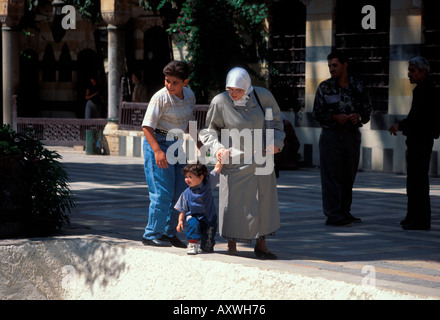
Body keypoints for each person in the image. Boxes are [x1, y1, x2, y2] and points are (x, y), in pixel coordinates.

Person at [200, 67, 285, 259]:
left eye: (237, 90)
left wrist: (276, 144)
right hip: (234, 162)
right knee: (233, 203)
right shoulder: (220, 102)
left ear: (247, 86)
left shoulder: (263, 97)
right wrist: (218, 149)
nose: (233, 94)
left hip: (262, 161)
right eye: (229, 89)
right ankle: (231, 243)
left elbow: (279, 124)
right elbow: (209, 131)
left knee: (263, 202)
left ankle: (261, 244)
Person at [312, 51, 372, 226]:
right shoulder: (325, 87)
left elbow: (367, 110)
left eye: (335, 65)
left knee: (348, 176)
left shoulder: (357, 86)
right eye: (329, 66)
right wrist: (334, 117)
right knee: (331, 177)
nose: (331, 69)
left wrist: (358, 117)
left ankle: (345, 211)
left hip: (351, 137)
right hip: (331, 137)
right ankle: (333, 215)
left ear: (345, 65)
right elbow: (317, 112)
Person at [141, 60, 196, 247]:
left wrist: (200, 144)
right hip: (158, 142)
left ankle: (168, 232)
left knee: (181, 190)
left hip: (177, 144)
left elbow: (189, 122)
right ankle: (151, 234)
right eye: (167, 81)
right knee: (162, 192)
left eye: (175, 82)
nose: (170, 85)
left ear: (185, 82)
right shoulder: (160, 97)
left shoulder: (189, 96)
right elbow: (147, 127)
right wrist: (157, 151)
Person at [389, 56, 440, 230]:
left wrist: (399, 125)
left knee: (417, 182)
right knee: (415, 181)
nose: (409, 74)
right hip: (420, 140)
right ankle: (413, 217)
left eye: (412, 70)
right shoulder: (425, 89)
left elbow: (417, 119)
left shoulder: (425, 90)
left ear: (422, 72)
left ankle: (419, 220)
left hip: (421, 142)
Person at [175, 161, 223, 255]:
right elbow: (182, 208)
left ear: (201, 177)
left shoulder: (208, 183)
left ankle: (207, 244)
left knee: (209, 235)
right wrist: (180, 221)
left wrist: (221, 160)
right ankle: (193, 244)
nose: (187, 179)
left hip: (209, 216)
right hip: (194, 216)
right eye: (186, 177)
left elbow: (216, 169)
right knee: (193, 225)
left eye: (190, 177)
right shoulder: (186, 193)